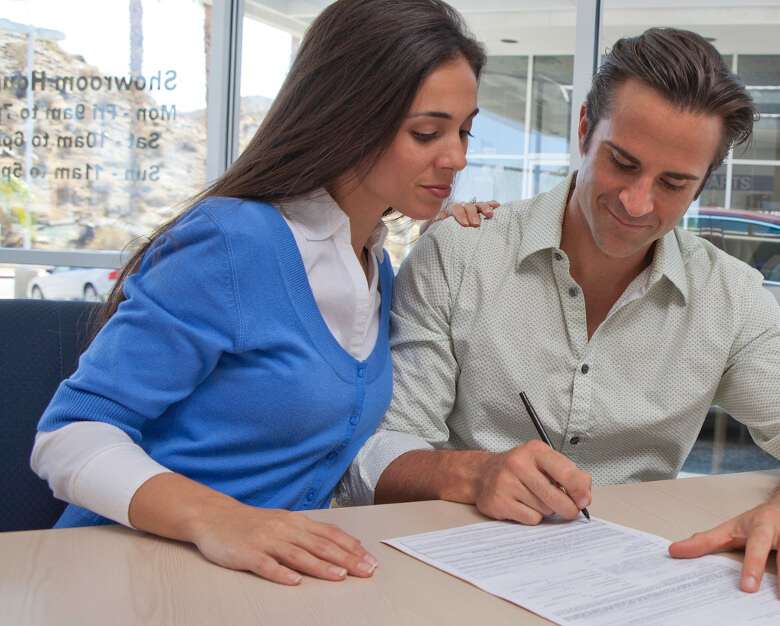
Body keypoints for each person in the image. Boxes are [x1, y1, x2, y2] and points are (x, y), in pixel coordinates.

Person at [340, 27, 780, 604]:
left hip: (635, 590)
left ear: (702, 183)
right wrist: (472, 474)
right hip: (453, 582)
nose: (637, 203)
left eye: (673, 183)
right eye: (622, 162)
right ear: (587, 128)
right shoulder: (460, 253)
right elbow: (378, 451)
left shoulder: (726, 296)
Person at [30, 0, 495, 586]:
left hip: (260, 586)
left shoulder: (374, 266)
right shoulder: (234, 241)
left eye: (464, 129)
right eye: (427, 132)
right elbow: (68, 434)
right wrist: (222, 519)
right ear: (349, 116)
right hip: (128, 576)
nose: (457, 157)